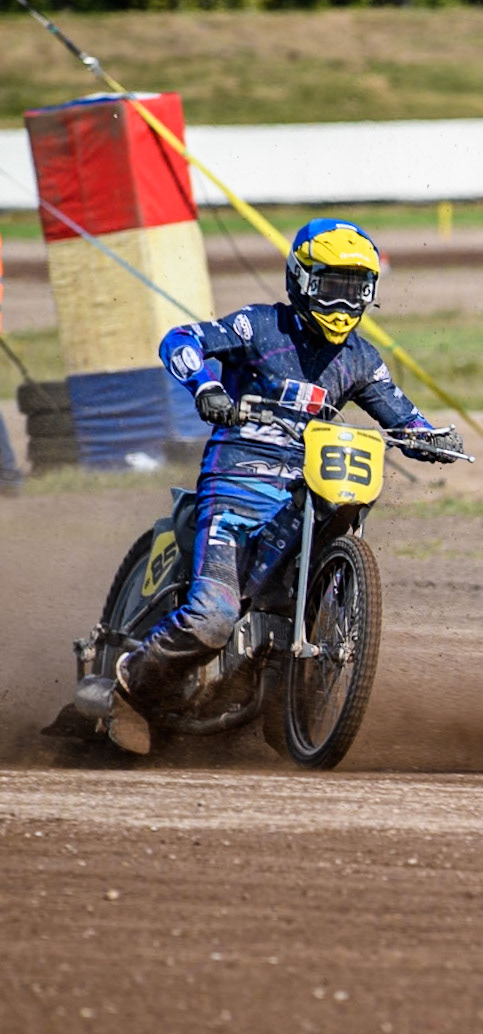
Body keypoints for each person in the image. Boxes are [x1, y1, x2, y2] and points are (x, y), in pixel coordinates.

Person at [109, 218, 463, 735]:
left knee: (311, 565)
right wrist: (207, 388)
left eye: (355, 291)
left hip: (305, 491)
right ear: (301, 280)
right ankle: (130, 683)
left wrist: (429, 438)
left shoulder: (361, 358)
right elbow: (181, 339)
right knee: (213, 617)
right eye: (331, 288)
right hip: (234, 485)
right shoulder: (259, 326)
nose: (342, 305)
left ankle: (275, 691)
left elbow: (403, 415)